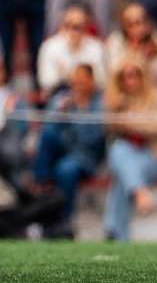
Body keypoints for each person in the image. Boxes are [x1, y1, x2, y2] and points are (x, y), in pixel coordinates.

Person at [30, 63, 107, 235]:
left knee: (65, 168)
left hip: (85, 156)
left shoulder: (99, 103)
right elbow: (47, 129)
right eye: (75, 80)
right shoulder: (62, 99)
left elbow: (92, 138)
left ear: (92, 81)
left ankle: (63, 220)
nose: (78, 85)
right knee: (49, 133)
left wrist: (76, 114)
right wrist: (61, 113)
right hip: (64, 150)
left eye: (83, 80)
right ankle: (39, 182)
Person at [101, 60, 157, 243]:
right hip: (125, 157)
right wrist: (114, 118)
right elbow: (105, 130)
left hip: (151, 156)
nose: (131, 80)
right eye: (126, 76)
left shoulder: (156, 96)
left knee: (123, 167)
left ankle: (113, 229)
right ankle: (139, 194)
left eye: (135, 74)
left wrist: (131, 123)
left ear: (142, 76)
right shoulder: (116, 100)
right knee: (119, 150)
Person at [36, 3, 106, 97]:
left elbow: (102, 81)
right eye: (73, 27)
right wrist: (81, 78)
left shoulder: (97, 48)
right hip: (60, 94)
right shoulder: (49, 47)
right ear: (63, 27)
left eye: (81, 27)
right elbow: (46, 82)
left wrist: (67, 74)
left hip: (90, 96)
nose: (76, 32)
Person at [105, 3, 157, 87]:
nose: (134, 28)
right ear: (124, 26)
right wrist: (135, 53)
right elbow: (114, 71)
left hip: (151, 87)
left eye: (138, 22)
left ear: (146, 24)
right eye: (129, 24)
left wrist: (143, 58)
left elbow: (156, 75)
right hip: (122, 87)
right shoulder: (114, 41)